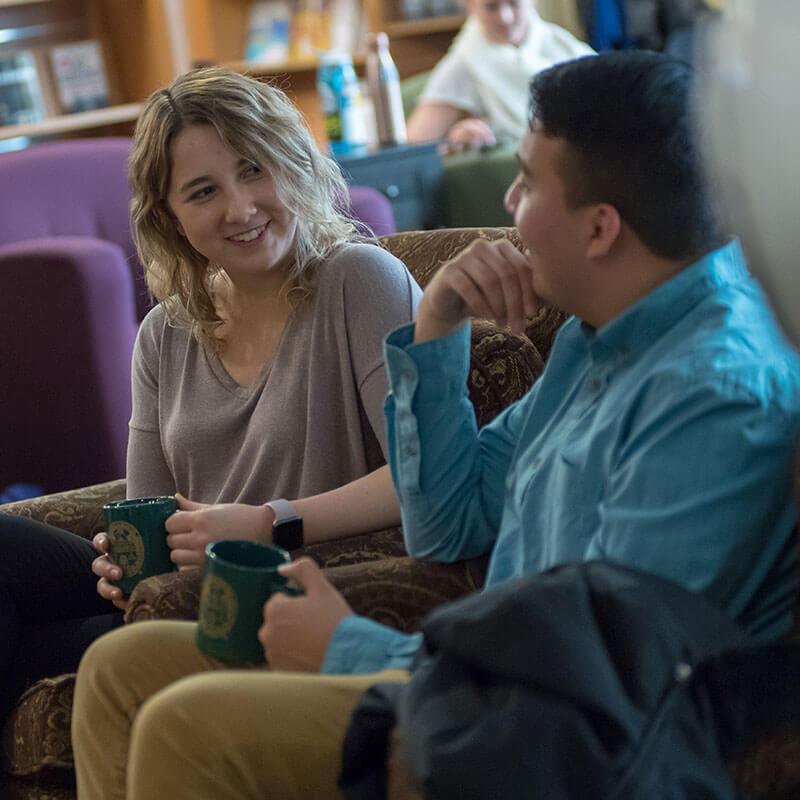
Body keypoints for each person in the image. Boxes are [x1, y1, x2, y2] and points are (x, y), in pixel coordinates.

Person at [72, 51, 800, 800]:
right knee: (117, 670)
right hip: (487, 683)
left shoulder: (713, 396)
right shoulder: (594, 346)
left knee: (185, 724)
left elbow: (603, 690)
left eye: (525, 181)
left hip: (550, 737)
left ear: (600, 228)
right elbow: (445, 523)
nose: (508, 202)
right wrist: (437, 325)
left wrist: (349, 647)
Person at [0, 67, 420, 725]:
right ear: (169, 216)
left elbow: (422, 480)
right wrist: (120, 560)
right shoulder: (166, 332)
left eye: (255, 169)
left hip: (277, 587)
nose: (240, 207)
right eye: (203, 191)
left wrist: (268, 520)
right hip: (180, 588)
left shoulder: (360, 281)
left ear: (294, 163)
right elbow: (146, 509)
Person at [407, 0, 593, 154]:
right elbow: (411, 150)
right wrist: (452, 144)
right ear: (471, 6)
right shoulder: (464, 63)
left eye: (513, 4)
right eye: (491, 6)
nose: (505, 17)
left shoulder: (565, 47)